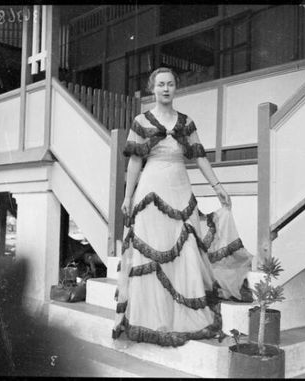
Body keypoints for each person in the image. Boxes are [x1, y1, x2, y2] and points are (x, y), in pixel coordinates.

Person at [112, 67, 252, 347]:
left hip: (180, 187)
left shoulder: (186, 122)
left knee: (185, 247)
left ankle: (184, 315)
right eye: (161, 84)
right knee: (152, 248)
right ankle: (151, 317)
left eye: (171, 84)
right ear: (153, 88)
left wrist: (218, 186)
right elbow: (135, 161)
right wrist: (128, 197)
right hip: (150, 188)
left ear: (176, 88)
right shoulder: (141, 120)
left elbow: (199, 157)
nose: (166, 89)